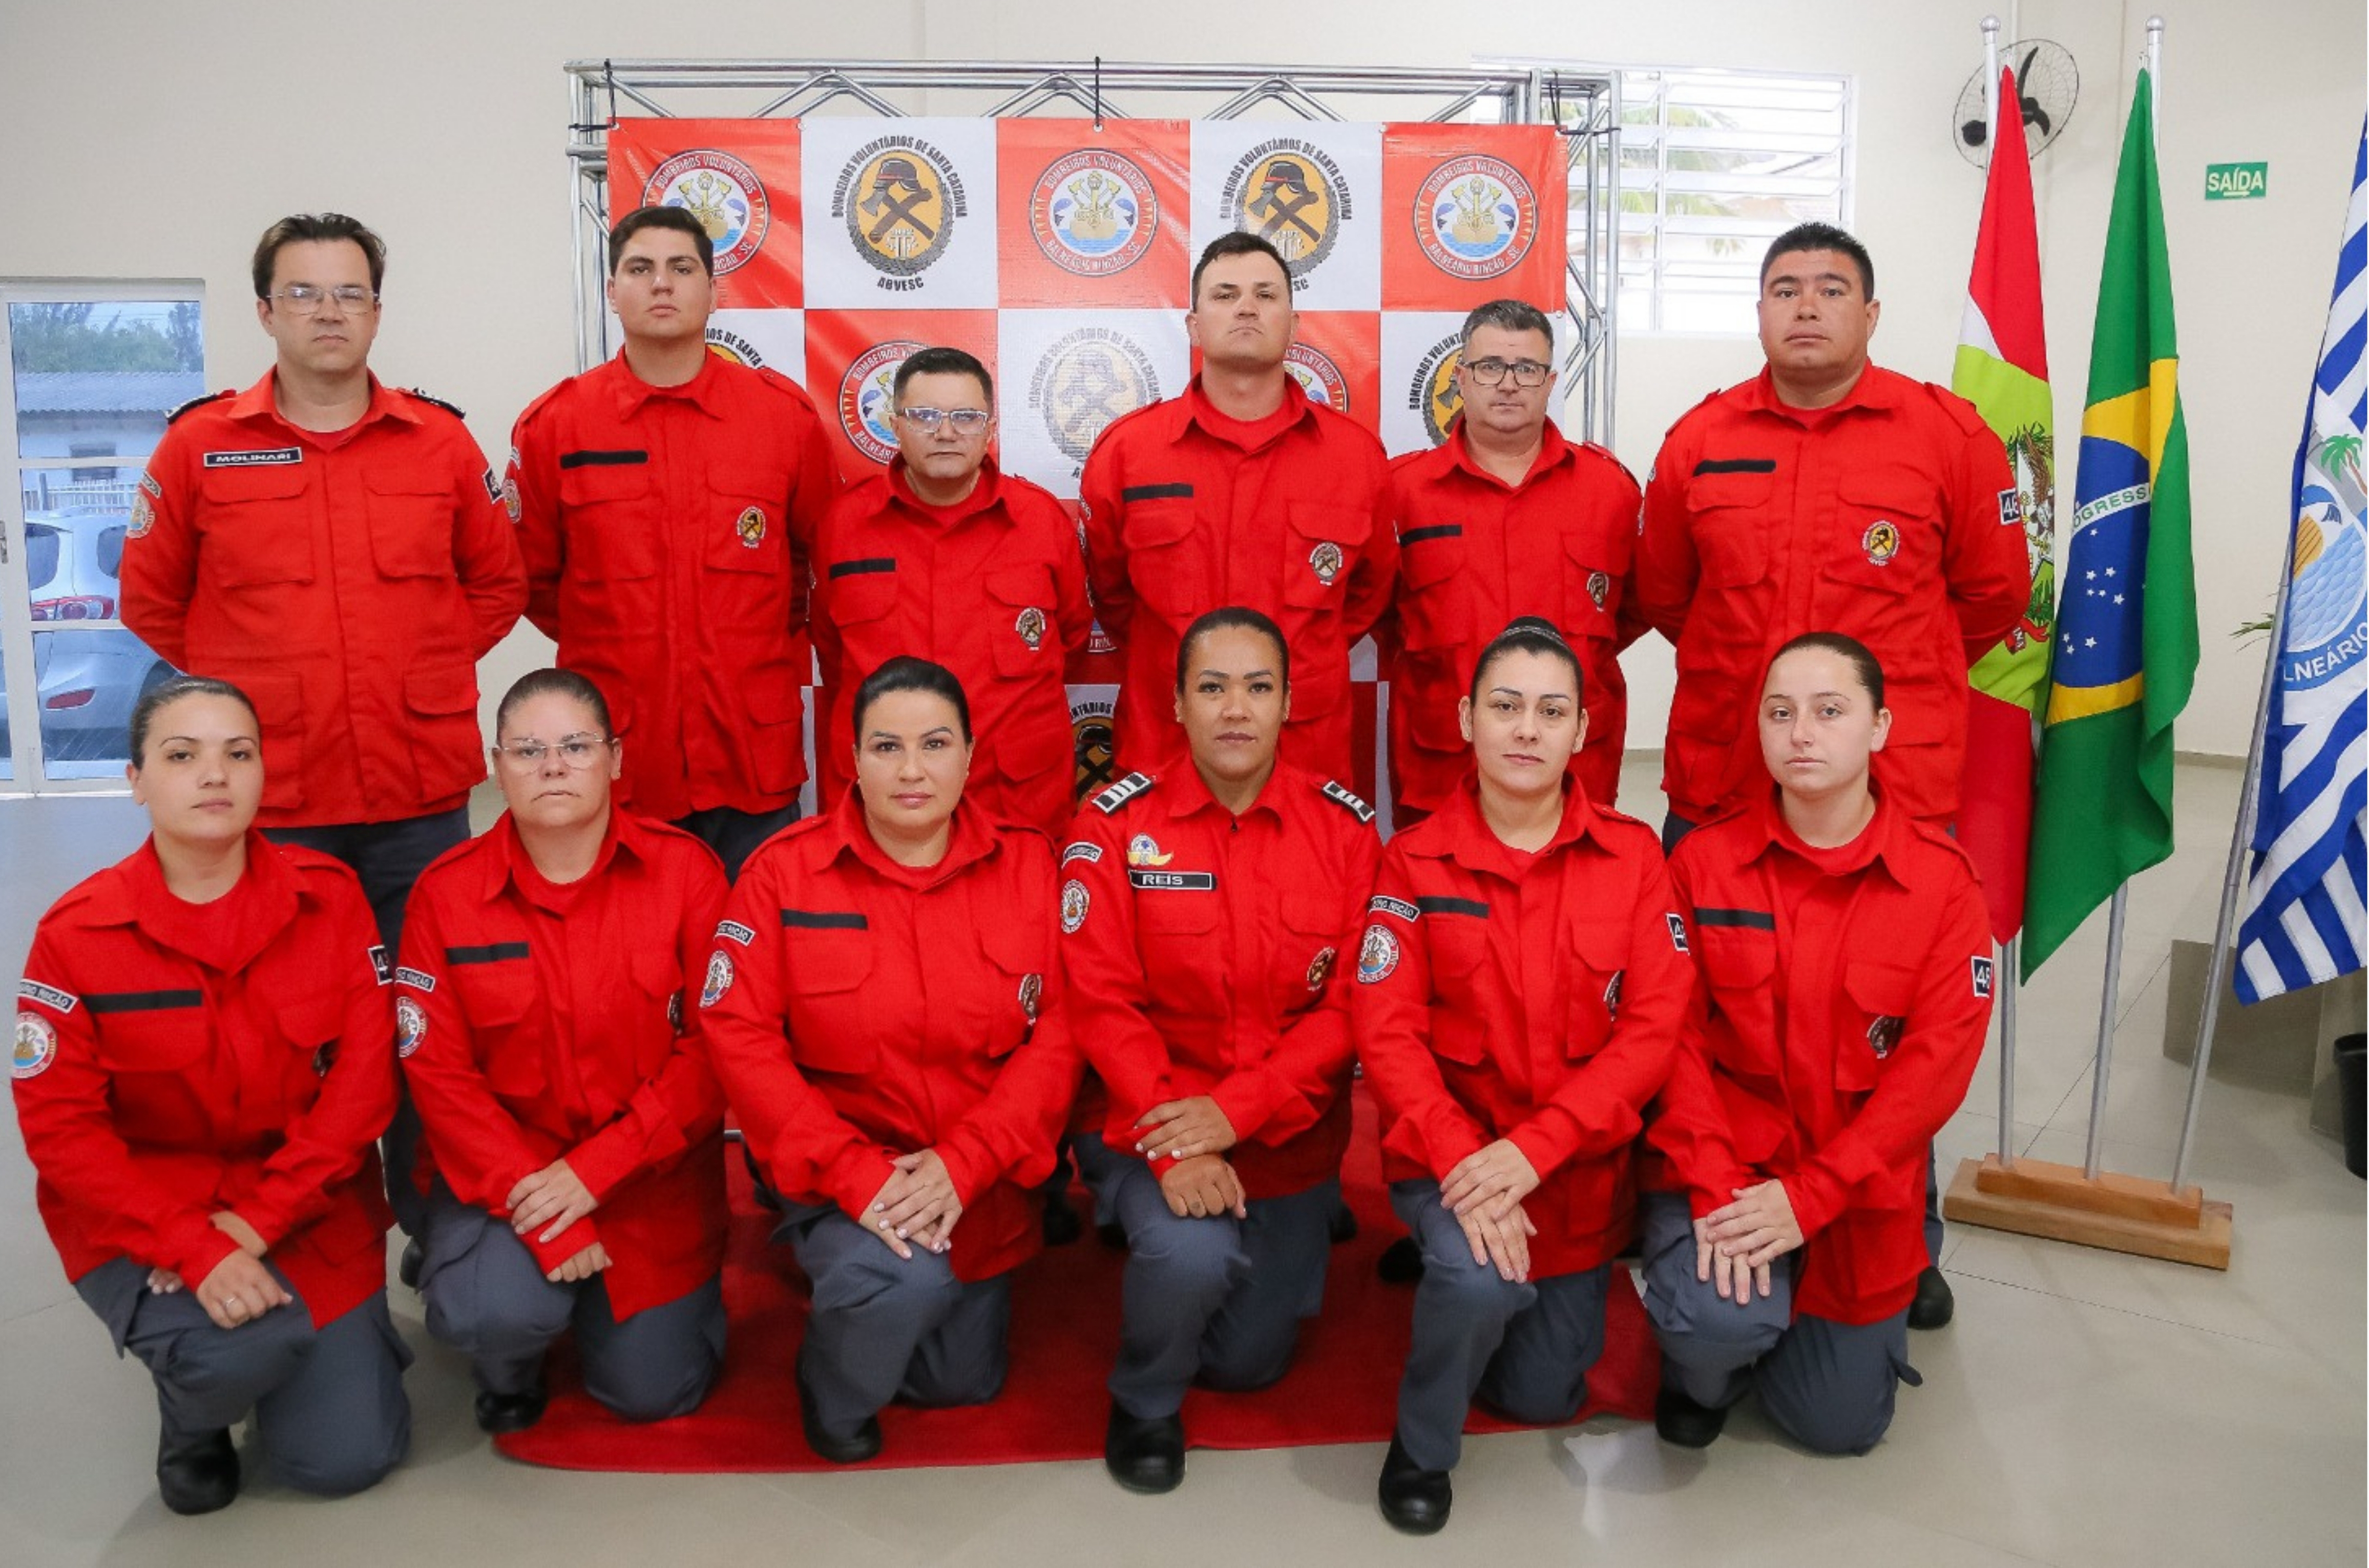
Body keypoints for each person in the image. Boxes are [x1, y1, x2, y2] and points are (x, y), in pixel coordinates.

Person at [1633, 222, 2027, 1326]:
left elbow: (1992, 596)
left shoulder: (1945, 436)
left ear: (1870, 313)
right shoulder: (1699, 440)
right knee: (1697, 1013)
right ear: (1758, 312)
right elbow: (1665, 595)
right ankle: (1688, 1202)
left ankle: (1903, 1230)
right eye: (1783, 289)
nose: (1804, 307)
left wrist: (1867, 708)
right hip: (1725, 784)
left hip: (1885, 801)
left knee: (1892, 1023)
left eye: (1830, 289)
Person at [120, 213, 528, 1251]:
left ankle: (443, 1240)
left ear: (378, 312)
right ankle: (313, 1238)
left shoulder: (438, 442)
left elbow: (498, 581)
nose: (328, 312)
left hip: (417, 802)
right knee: (290, 1036)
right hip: (276, 809)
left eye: (350, 293)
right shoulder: (201, 445)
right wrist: (240, 696)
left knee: (429, 1027)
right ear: (265, 311)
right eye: (303, 293)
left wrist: (423, 664)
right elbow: (152, 601)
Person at [12, 677, 411, 1514]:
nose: (214, 774)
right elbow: (64, 1135)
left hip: (308, 1202)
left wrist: (260, 1221)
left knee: (345, 1459)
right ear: (136, 779)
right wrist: (194, 1245)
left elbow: (363, 1086)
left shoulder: (330, 899)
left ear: (264, 772)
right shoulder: (77, 935)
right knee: (232, 1354)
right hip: (150, 1217)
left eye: (238, 753)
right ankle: (193, 1420)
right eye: (181, 755)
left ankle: (305, 1351)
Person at [1352, 619, 1689, 1534]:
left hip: (1574, 1178)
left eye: (1550, 710)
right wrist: (1470, 1160)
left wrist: (1533, 1152)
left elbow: (1652, 1032)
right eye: (1505, 707)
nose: (1527, 729)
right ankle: (1420, 1447)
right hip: (1450, 1161)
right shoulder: (1413, 858)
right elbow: (1387, 1032)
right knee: (1476, 1279)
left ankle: (1472, 1295)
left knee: (1542, 1394)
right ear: (1467, 719)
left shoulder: (1633, 857)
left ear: (1584, 728)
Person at [701, 657, 1079, 1463]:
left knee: (959, 1382)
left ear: (969, 756)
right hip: (841, 1174)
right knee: (902, 1284)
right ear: (852, 759)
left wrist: (965, 1163)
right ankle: (830, 1386)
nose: (912, 770)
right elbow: (740, 1035)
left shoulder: (1030, 867)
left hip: (979, 1177)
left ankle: (874, 1297)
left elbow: (1063, 1032)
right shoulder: (783, 873)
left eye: (935, 744)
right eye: (887, 746)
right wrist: (854, 1175)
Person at [1641, 632, 1993, 1456]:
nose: (1800, 732)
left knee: (1839, 1427)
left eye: (1829, 711)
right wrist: (1717, 1184)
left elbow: (1932, 1073)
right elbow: (1672, 1041)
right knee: (1716, 1324)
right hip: (1728, 1173)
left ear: (1879, 726)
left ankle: (1793, 1330)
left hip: (1856, 1189)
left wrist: (1812, 1196)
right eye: (1779, 712)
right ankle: (1707, 1358)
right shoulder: (1702, 866)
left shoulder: (1942, 884)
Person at [1060, 607, 1380, 1494]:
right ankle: (1145, 1399)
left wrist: (1234, 1113)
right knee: (1190, 1256)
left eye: (1257, 687)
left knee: (1247, 1364)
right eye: (1212, 687)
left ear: (1289, 702)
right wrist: (1180, 1142)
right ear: (1176, 704)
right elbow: (1102, 1000)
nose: (1235, 708)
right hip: (1151, 1124)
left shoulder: (1346, 831)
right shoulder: (1113, 825)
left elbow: (1352, 1005)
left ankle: (1240, 1249)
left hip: (1286, 1134)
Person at [397, 670, 731, 1435]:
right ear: (497, 765)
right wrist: (542, 1199)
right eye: (528, 750)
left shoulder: (686, 874)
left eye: (576, 746)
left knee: (651, 1393)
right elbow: (440, 1078)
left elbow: (713, 1050)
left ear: (615, 758)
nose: (553, 766)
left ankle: (617, 1316)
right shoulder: (445, 895)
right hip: (506, 1182)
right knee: (490, 1311)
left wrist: (596, 1172)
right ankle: (510, 1363)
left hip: (648, 1176)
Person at [509, 205, 841, 880]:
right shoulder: (558, 426)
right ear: (612, 290)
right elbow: (534, 580)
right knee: (626, 942)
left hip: (749, 751)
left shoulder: (781, 418)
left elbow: (818, 566)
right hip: (621, 754)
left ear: (714, 291)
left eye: (681, 268)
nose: (661, 283)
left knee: (755, 937)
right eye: (640, 268)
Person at [1080, 231, 1395, 780]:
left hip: (1305, 759)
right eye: (1225, 295)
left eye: (1265, 295)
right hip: (1165, 752)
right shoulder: (1129, 453)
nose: (1246, 307)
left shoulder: (1355, 457)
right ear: (1193, 325)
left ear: (1293, 325)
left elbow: (1365, 598)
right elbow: (1112, 594)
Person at [1381, 298, 1643, 823]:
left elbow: (1637, 608)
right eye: (1489, 367)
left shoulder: (1608, 491)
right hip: (1443, 767)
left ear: (1550, 383)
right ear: (1460, 378)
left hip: (1574, 771)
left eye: (1526, 368)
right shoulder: (1402, 491)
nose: (1507, 383)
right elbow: (1377, 611)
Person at [811, 346, 1090, 837]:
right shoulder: (843, 526)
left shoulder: (1040, 522)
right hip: (883, 807)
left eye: (965, 417)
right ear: (895, 426)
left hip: (1015, 805)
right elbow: (832, 654)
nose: (945, 432)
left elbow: (1071, 640)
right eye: (924, 416)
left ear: (991, 429)